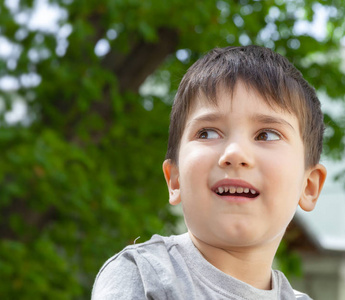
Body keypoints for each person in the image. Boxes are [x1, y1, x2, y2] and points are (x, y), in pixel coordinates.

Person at [91, 45, 327, 300]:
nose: (235, 153)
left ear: (309, 186)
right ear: (175, 179)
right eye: (207, 133)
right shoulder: (144, 275)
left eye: (267, 135)